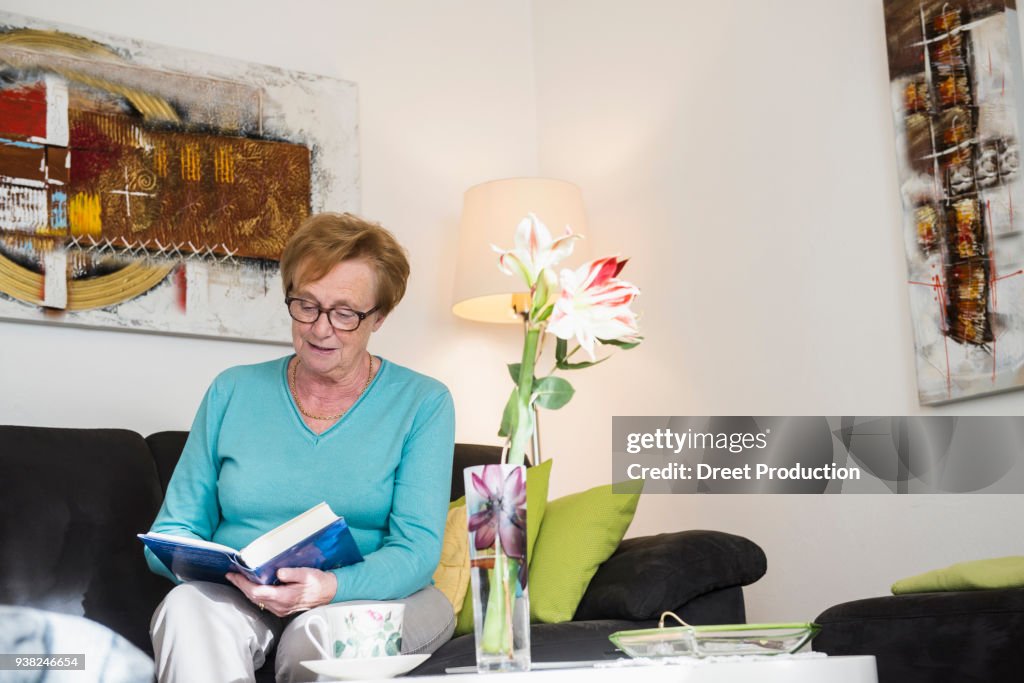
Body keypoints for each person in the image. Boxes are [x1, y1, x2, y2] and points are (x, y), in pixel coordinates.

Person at [144, 213, 456, 683]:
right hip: (246, 595)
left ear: (380, 317)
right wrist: (227, 574)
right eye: (306, 304)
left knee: (314, 639)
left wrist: (329, 587)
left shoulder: (423, 402)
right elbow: (173, 529)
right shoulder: (233, 391)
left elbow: (415, 551)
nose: (320, 328)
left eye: (344, 313)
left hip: (383, 599)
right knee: (185, 608)